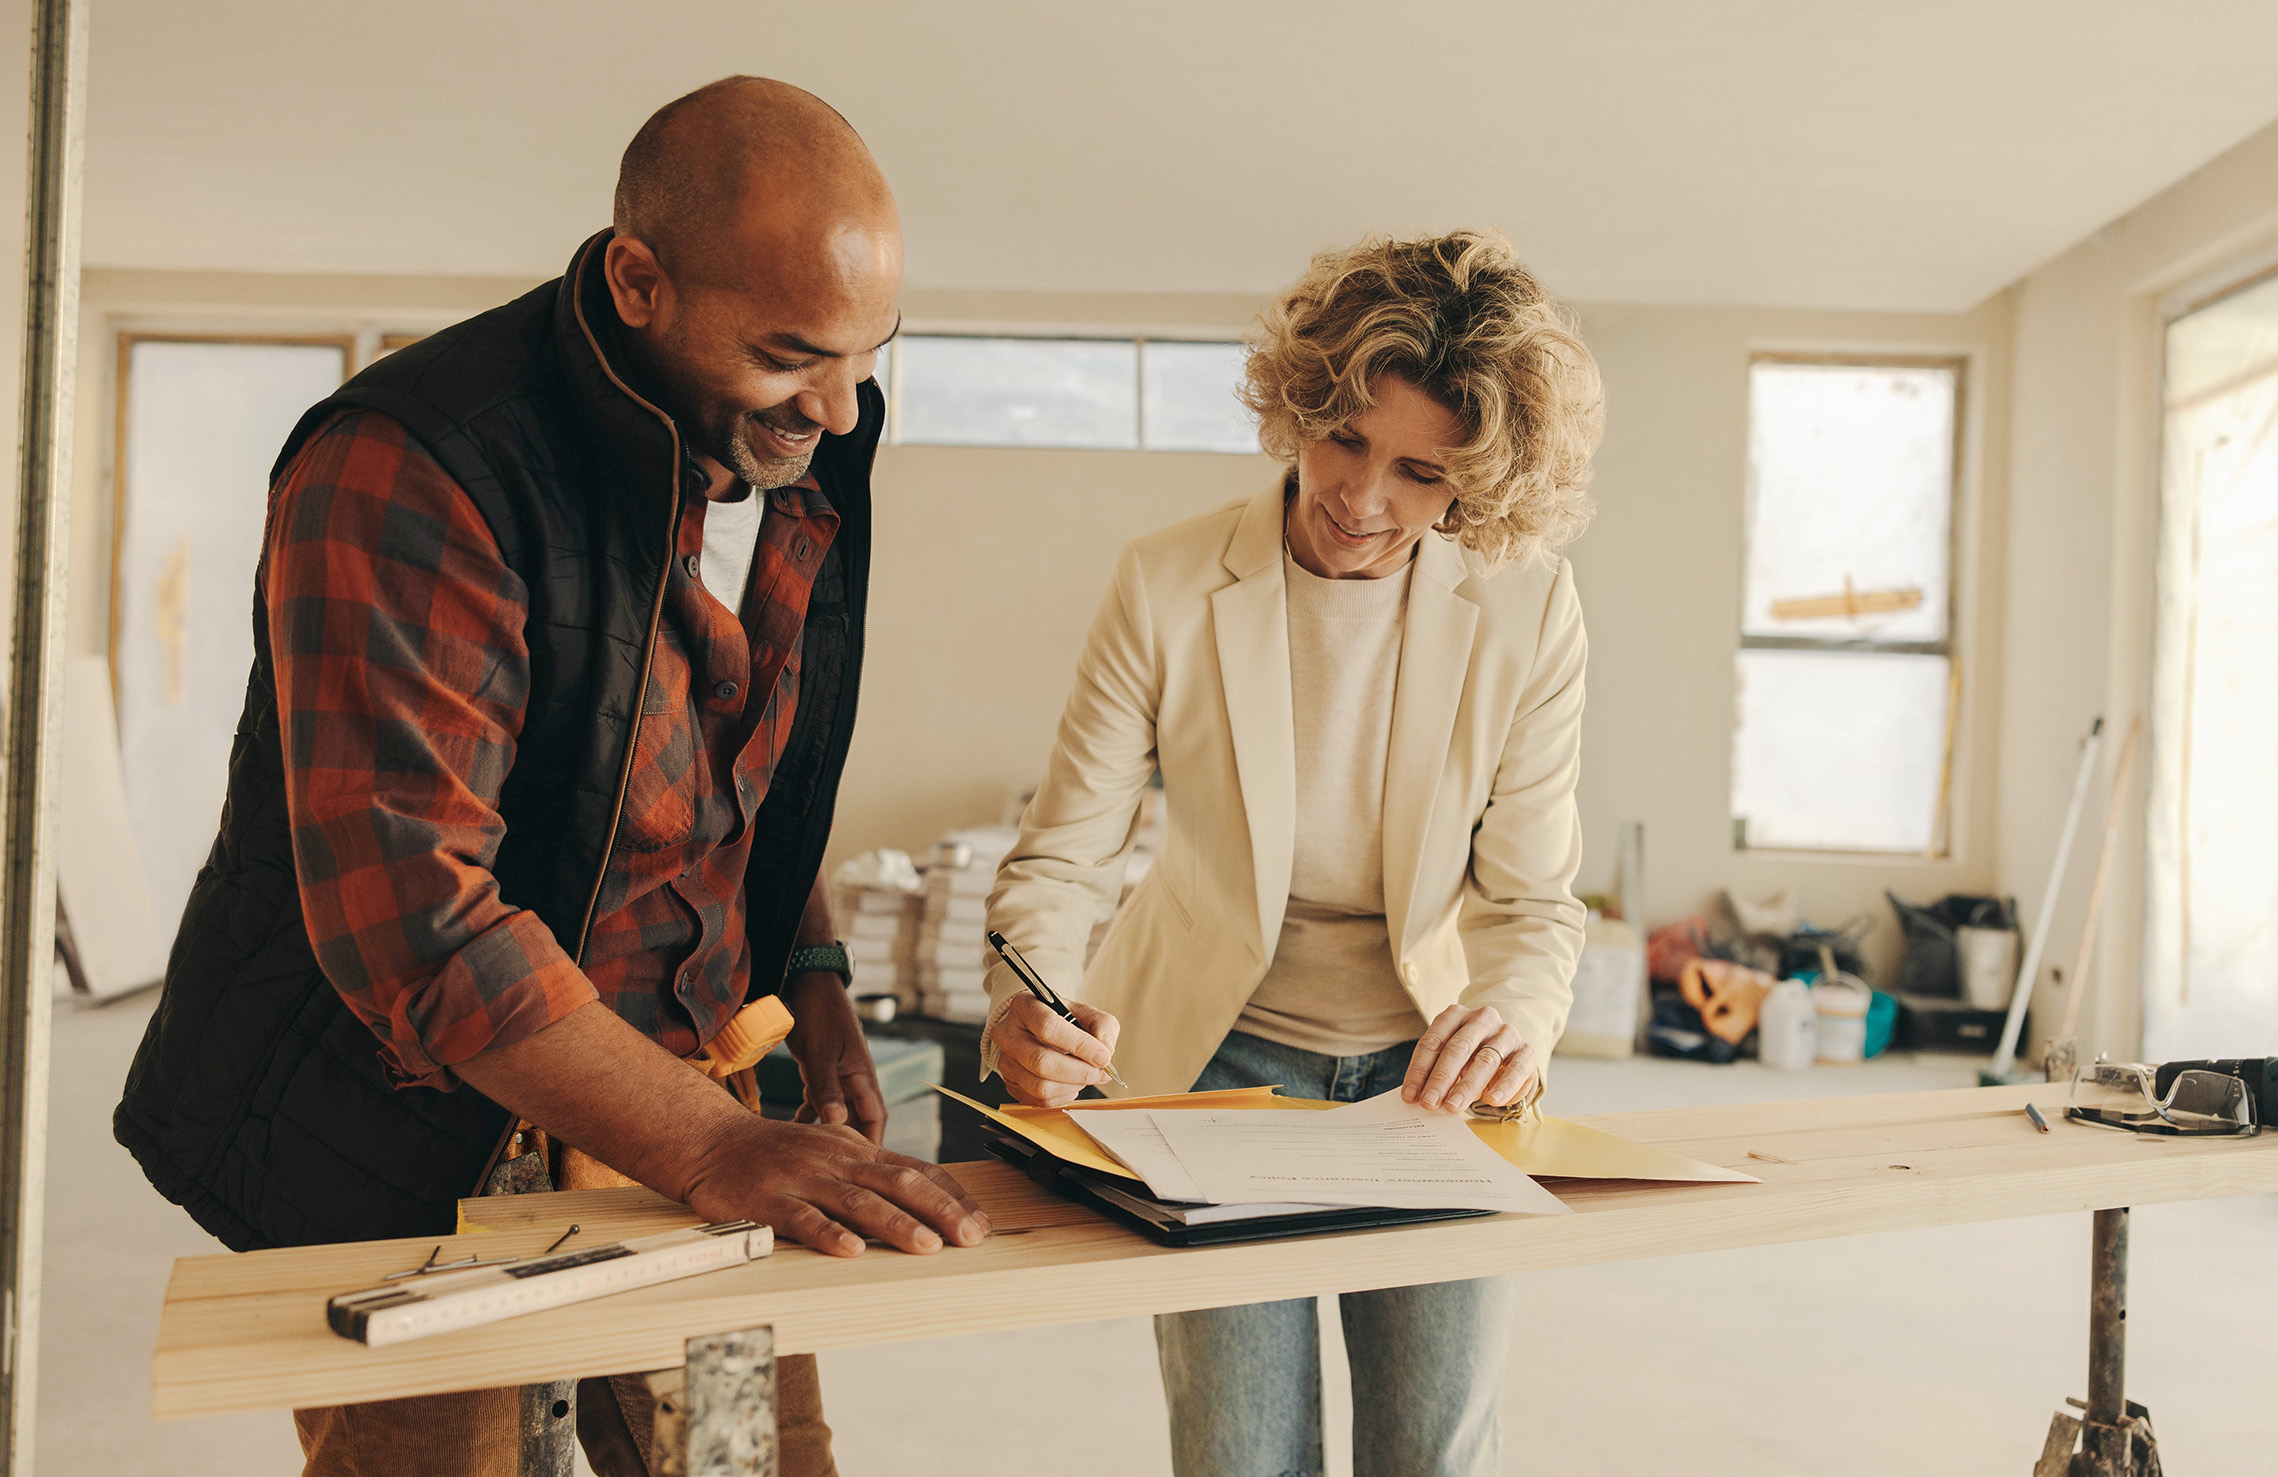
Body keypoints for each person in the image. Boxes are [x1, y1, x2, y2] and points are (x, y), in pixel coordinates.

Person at [113, 77, 987, 1477]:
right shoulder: (413, 466)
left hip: (692, 1087)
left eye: (870, 350)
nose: (838, 403)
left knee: (749, 1463)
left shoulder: (788, 434)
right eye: (789, 353)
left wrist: (813, 974)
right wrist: (710, 1142)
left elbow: (743, 747)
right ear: (640, 281)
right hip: (412, 1135)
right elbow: (417, 919)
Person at [982, 230, 1603, 1477]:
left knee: (1432, 1452)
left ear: (1474, 488)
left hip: (1431, 1076)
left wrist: (1521, 1019)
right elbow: (1060, 859)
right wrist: (1024, 1002)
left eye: (1420, 472)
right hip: (1211, 1062)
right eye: (1345, 439)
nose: (1361, 499)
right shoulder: (1163, 583)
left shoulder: (1529, 607)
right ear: (1300, 404)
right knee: (1239, 1456)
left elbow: (1535, 902)